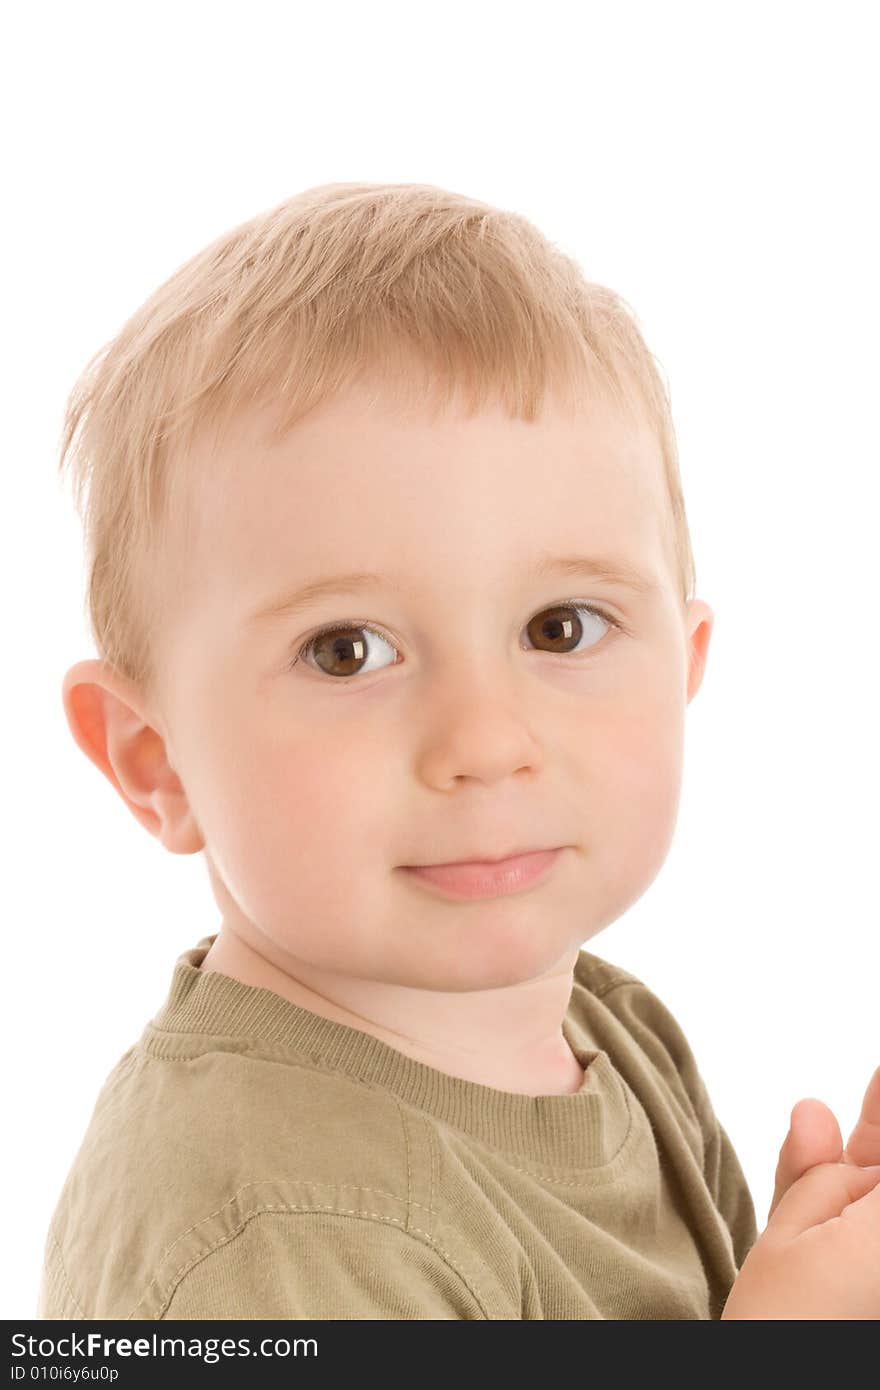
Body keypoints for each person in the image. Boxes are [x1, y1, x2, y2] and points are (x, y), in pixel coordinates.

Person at [38, 182, 880, 1320]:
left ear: (684, 667)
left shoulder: (605, 1028)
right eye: (346, 650)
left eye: (561, 627)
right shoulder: (276, 1233)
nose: (485, 743)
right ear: (156, 759)